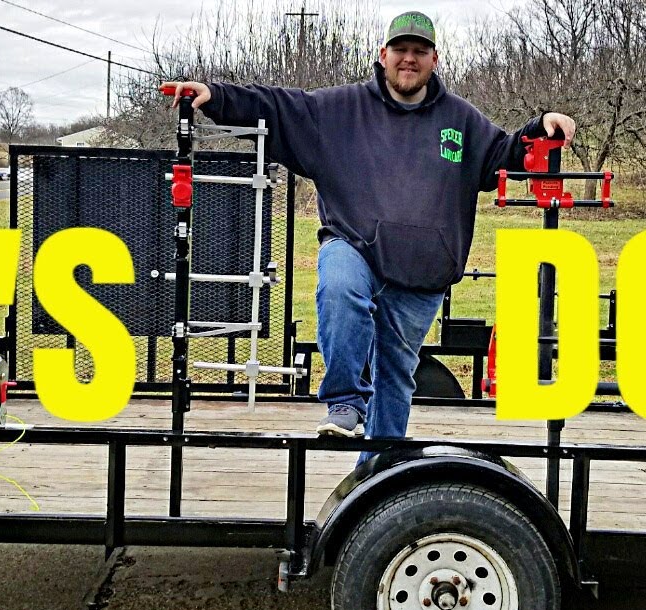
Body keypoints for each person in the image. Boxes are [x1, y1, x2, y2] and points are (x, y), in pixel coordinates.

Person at [163, 10, 576, 461]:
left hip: (423, 271)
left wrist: (541, 128)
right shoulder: (338, 110)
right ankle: (344, 403)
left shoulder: (461, 119)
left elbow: (505, 153)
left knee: (396, 376)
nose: (409, 60)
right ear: (383, 55)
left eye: (419, 52)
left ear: (434, 60)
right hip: (353, 244)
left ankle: (377, 477)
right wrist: (216, 96)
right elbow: (277, 106)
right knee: (339, 285)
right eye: (400, 50)